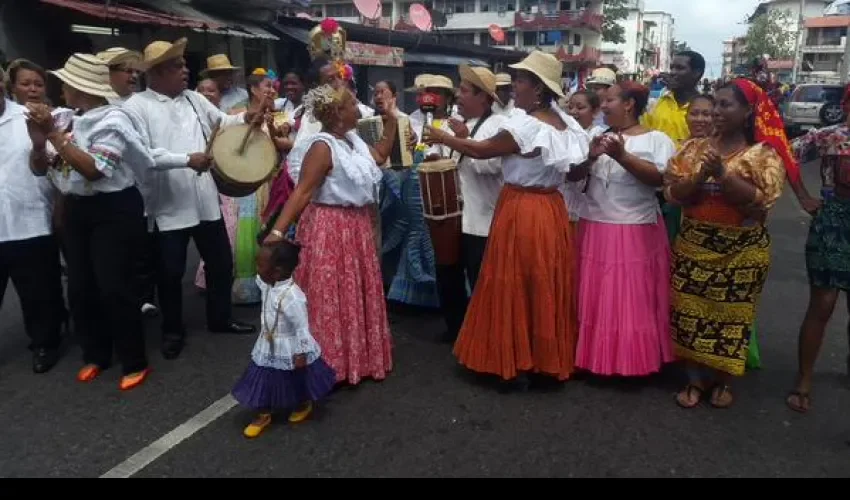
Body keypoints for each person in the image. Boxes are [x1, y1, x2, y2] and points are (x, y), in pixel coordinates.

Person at [424, 51, 589, 389]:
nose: (514, 87)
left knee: (512, 282)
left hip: (522, 207)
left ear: (539, 88)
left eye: (521, 80)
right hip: (551, 209)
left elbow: (483, 150)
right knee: (543, 282)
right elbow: (574, 172)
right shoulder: (564, 123)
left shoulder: (528, 125)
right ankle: (544, 359)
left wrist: (443, 138)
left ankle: (511, 359)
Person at [123, 38, 260, 361]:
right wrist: (186, 159)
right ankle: (172, 330)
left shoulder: (195, 100)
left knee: (221, 264)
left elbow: (223, 123)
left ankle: (220, 318)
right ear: (156, 72)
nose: (185, 70)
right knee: (169, 272)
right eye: (176, 66)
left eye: (183, 64)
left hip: (204, 199)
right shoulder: (135, 107)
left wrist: (248, 116)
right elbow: (142, 155)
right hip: (168, 204)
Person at [27, 53, 156, 390]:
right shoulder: (66, 118)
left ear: (78, 88)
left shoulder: (113, 120)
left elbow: (96, 169)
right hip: (78, 208)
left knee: (114, 284)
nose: (62, 90)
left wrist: (53, 135)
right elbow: (41, 168)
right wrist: (40, 143)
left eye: (66, 84)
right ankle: (96, 353)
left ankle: (133, 358)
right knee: (81, 287)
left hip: (114, 207)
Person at [664, 79, 787, 409]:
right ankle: (693, 382)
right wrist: (699, 176)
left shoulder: (762, 155)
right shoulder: (691, 149)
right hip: (694, 243)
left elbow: (763, 202)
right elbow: (673, 195)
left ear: (748, 112)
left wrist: (722, 174)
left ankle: (723, 381)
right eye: (714, 104)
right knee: (689, 314)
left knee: (731, 318)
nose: (716, 112)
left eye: (725, 105)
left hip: (742, 249)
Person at [263, 84, 397, 385]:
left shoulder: (352, 139)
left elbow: (379, 155)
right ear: (337, 114)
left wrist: (391, 121)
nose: (358, 108)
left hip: (356, 227)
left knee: (350, 294)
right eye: (352, 104)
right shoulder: (323, 146)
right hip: (329, 227)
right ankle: (329, 365)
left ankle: (354, 361)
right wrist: (276, 233)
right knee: (330, 296)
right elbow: (303, 192)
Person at [571, 82, 676, 377]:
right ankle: (594, 358)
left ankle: (631, 361)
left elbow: (658, 179)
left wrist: (623, 156)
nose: (603, 106)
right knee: (596, 297)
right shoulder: (594, 135)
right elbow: (573, 176)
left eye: (610, 100)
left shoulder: (657, 140)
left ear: (629, 104)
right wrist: (590, 156)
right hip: (594, 224)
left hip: (634, 228)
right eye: (602, 101)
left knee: (630, 300)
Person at [785, 83, 850, 413]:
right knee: (822, 304)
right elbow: (783, 154)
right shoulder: (831, 136)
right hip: (832, 222)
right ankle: (804, 378)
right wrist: (802, 196)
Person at [231, 241, 336, 438]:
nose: (257, 269)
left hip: (289, 345)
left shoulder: (293, 298)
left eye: (260, 265)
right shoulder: (268, 284)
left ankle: (303, 403)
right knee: (262, 374)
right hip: (268, 342)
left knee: (294, 378)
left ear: (277, 271)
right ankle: (263, 413)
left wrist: (301, 352)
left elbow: (301, 328)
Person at [0, 65, 65, 374]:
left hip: (31, 219)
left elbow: (54, 163)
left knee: (39, 293)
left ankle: (45, 344)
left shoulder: (29, 118)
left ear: (3, 86)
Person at [97, 47, 159, 318]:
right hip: (106, 195)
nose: (133, 76)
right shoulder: (98, 105)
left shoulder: (139, 104)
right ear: (106, 74)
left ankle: (143, 298)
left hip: (139, 191)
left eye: (136, 71)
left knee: (142, 252)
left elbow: (148, 150)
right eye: (126, 70)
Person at [450, 65, 506, 294]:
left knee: (480, 286)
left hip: (481, 222)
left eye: (464, 91)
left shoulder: (498, 125)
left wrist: (464, 139)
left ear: (483, 97)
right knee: (451, 282)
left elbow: (489, 166)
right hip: (456, 220)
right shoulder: (455, 122)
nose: (457, 96)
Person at [566, 90, 606, 228]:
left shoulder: (598, 135)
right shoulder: (562, 133)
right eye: (570, 107)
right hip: (563, 203)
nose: (573, 112)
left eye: (580, 107)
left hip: (588, 208)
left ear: (595, 111)